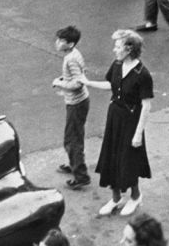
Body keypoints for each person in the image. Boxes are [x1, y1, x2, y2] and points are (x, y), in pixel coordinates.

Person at [82, 29, 153, 217]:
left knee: (128, 161)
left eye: (118, 46)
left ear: (129, 49)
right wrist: (88, 83)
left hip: (131, 121)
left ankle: (135, 196)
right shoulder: (116, 65)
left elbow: (146, 105)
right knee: (111, 158)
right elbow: (111, 86)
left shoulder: (142, 74)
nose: (114, 49)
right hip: (114, 117)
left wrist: (138, 133)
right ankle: (115, 198)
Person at [52, 25, 90, 188]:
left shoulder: (71, 58)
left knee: (72, 140)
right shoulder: (73, 54)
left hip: (76, 103)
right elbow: (80, 73)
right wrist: (63, 80)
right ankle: (74, 164)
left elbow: (78, 83)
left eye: (62, 41)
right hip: (79, 102)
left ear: (71, 43)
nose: (57, 43)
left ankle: (81, 176)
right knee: (75, 137)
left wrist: (59, 84)